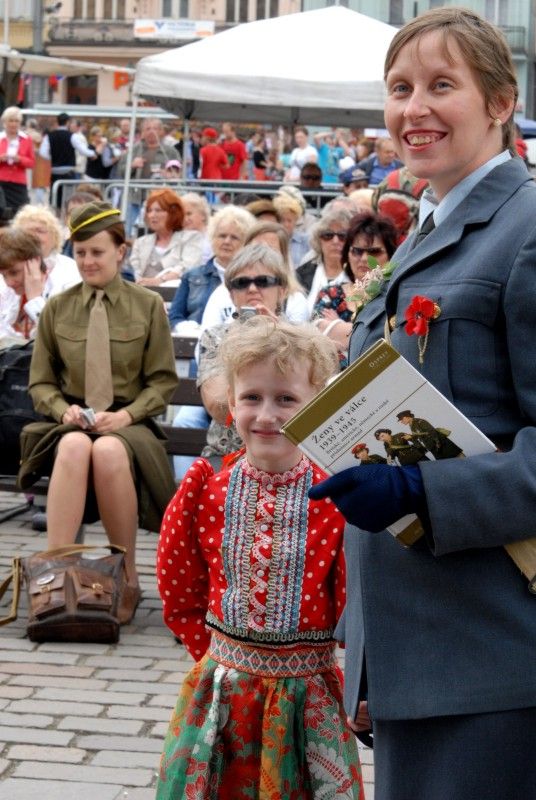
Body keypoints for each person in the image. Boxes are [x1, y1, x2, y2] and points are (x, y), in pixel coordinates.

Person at [309, 8, 536, 799]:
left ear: (501, 102)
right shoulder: (427, 228)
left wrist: (419, 492)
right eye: (400, 89)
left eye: (444, 86)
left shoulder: (526, 229)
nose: (415, 110)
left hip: (494, 653)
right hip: (416, 648)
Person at [156, 315, 364, 800]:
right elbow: (179, 588)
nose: (267, 415)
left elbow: (353, 601)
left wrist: (357, 684)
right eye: (252, 397)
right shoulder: (204, 489)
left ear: (317, 406)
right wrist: (219, 659)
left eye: (286, 399)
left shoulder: (336, 500)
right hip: (223, 691)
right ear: (231, 403)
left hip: (305, 696)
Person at [20, 201, 178, 624]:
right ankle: (57, 577)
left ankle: (125, 576)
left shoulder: (145, 305)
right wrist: (63, 410)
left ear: (120, 252)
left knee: (108, 450)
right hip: (69, 422)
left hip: (130, 424)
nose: (88, 261)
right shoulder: (58, 307)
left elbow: (162, 382)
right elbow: (41, 383)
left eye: (97, 252)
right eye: (81, 252)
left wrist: (125, 418)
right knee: (74, 445)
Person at [197, 243, 293, 468]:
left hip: (287, 457)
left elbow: (308, 406)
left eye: (263, 281)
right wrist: (243, 343)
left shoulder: (300, 338)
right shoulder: (217, 337)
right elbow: (219, 407)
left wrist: (276, 338)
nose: (252, 289)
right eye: (241, 283)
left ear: (282, 290)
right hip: (227, 454)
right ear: (231, 294)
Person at [312, 212, 398, 365]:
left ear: (391, 255)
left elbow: (392, 342)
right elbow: (317, 338)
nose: (364, 258)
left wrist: (339, 327)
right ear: (347, 254)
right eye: (357, 251)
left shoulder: (395, 297)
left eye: (374, 251)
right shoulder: (330, 294)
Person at [11, 205, 82, 328]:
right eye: (26, 232)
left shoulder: (70, 270)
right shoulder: (7, 271)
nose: (33, 236)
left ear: (55, 237)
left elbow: (62, 331)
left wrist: (34, 298)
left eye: (40, 231)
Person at [129, 188, 205, 286]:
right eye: (149, 210)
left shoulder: (191, 238)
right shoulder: (140, 243)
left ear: (173, 213)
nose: (152, 215)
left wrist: (160, 280)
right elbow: (136, 273)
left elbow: (188, 267)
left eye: (158, 210)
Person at [116, 118, 178, 236]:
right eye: (148, 128)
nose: (151, 131)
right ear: (142, 132)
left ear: (161, 131)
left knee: (160, 229)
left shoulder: (170, 152)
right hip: (135, 198)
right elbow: (120, 171)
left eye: (155, 128)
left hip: (161, 199)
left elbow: (177, 173)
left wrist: (169, 174)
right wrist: (132, 165)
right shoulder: (133, 150)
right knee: (129, 231)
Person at [296, 207, 354, 314]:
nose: (335, 241)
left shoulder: (359, 276)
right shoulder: (301, 274)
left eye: (343, 236)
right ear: (319, 240)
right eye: (328, 235)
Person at [0, 106, 35, 213]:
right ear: (4, 122)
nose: (14, 124)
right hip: (1, 181)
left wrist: (20, 159)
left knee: (21, 212)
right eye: (11, 121)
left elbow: (32, 163)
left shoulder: (26, 139)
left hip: (19, 182)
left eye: (17, 121)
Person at [396, 410, 464, 459]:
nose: (401, 422)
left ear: (406, 417)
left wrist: (438, 444)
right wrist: (411, 437)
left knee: (459, 457)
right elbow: (420, 435)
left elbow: (431, 431)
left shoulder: (419, 421)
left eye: (401, 420)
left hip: (440, 444)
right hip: (433, 447)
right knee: (448, 464)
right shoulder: (412, 425)